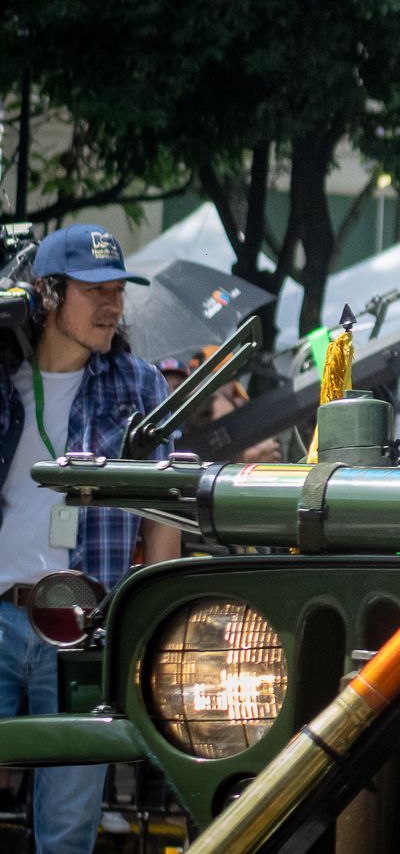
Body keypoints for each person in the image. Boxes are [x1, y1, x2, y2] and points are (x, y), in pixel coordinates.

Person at [0, 225, 176, 854]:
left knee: (69, 833)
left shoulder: (140, 387)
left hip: (86, 629)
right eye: (94, 289)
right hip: (0, 617)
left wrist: (149, 628)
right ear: (47, 294)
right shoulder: (4, 380)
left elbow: (162, 518)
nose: (113, 304)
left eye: (118, 291)